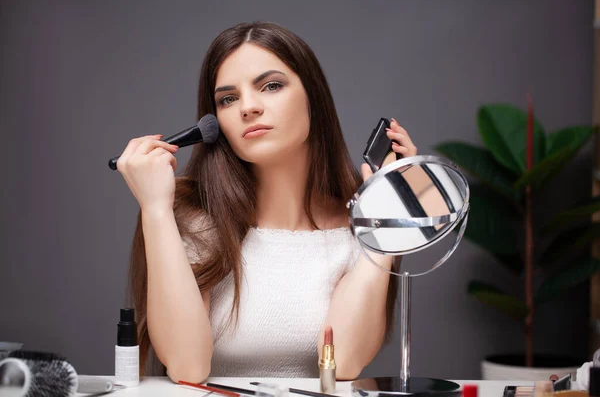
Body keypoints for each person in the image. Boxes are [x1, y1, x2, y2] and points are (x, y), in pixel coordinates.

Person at [116, 21, 418, 383]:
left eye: (271, 86)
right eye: (228, 99)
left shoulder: (362, 222)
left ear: (313, 97)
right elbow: (186, 366)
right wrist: (155, 209)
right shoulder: (195, 218)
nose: (248, 107)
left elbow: (346, 363)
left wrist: (386, 220)